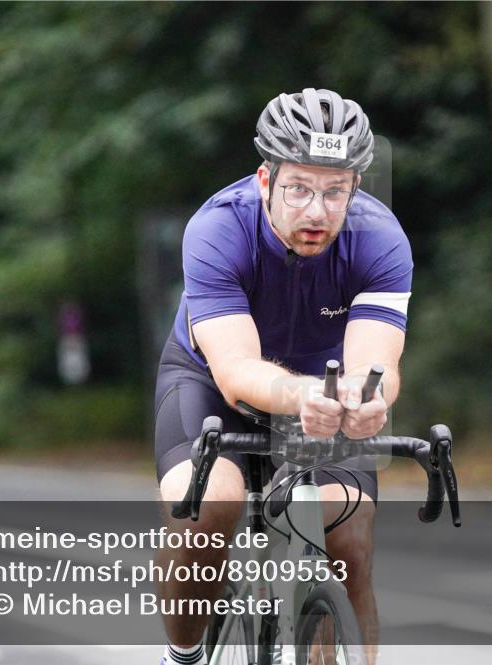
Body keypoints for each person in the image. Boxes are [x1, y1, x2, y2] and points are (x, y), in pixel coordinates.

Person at [154, 87, 412, 665]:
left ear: (356, 189)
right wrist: (303, 395)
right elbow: (237, 370)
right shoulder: (217, 229)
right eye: (298, 187)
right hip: (210, 382)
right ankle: (184, 655)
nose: (316, 211)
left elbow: (377, 364)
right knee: (208, 507)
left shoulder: (379, 238)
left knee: (348, 534)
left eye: (334, 190)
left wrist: (369, 399)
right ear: (266, 181)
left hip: (324, 393)